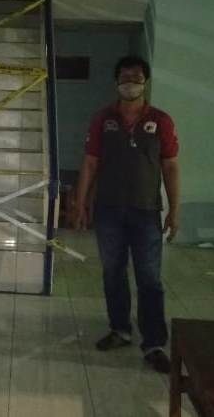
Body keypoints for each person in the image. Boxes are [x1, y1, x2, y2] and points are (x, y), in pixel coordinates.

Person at [72, 55, 180, 374]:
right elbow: (90, 162)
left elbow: (171, 167)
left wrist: (174, 210)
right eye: (124, 77)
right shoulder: (102, 119)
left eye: (135, 77)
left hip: (146, 212)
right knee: (113, 273)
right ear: (116, 81)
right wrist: (81, 203)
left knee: (150, 279)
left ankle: (154, 343)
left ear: (145, 82)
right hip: (108, 210)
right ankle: (120, 329)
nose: (129, 83)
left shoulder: (160, 121)